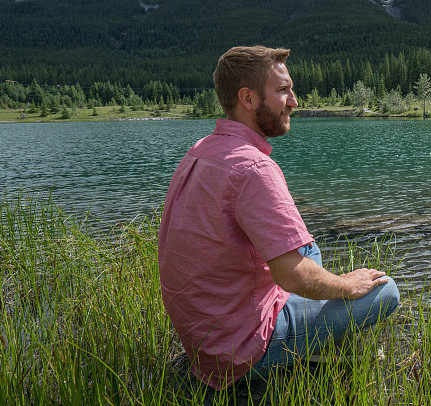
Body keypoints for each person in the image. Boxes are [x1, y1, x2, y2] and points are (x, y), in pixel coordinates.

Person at [158, 45, 400, 389]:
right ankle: (305, 352)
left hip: (203, 334)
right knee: (385, 291)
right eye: (283, 90)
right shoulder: (255, 167)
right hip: (239, 349)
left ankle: (307, 335)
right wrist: (347, 285)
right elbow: (293, 277)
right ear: (249, 98)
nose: (294, 101)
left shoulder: (202, 149)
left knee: (308, 248)